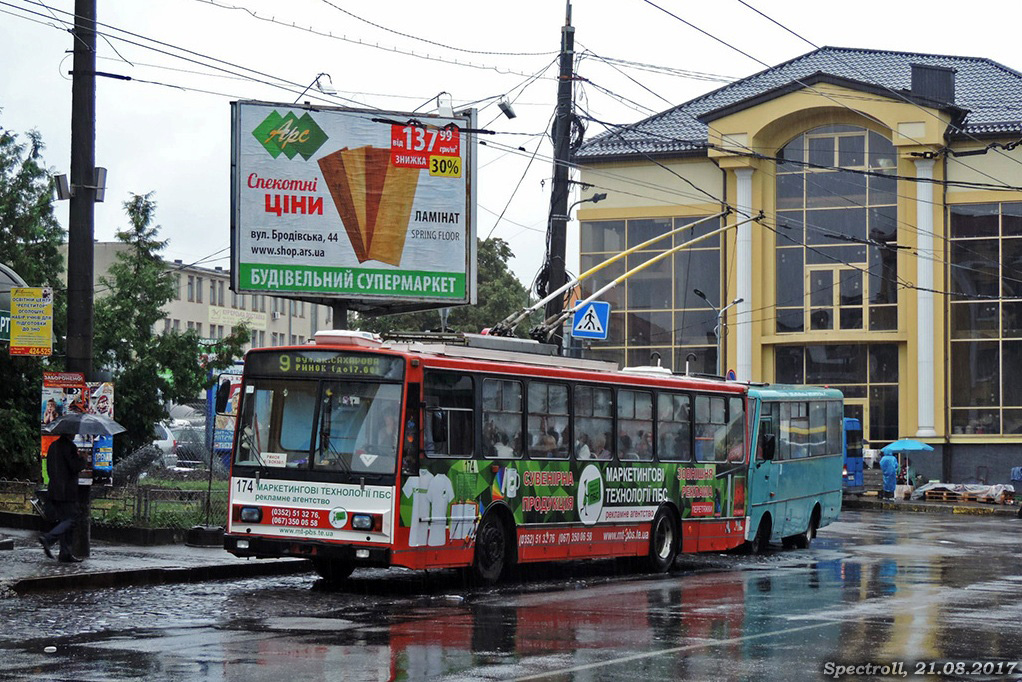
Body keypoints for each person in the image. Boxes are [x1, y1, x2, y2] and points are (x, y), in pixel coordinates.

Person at [39, 433, 88, 563]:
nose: (75, 434)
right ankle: (48, 538)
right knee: (72, 519)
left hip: (54, 489)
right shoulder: (70, 446)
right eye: (74, 432)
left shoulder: (53, 446)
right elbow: (75, 466)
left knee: (64, 521)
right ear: (69, 433)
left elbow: (49, 468)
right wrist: (83, 459)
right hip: (66, 491)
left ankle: (65, 553)